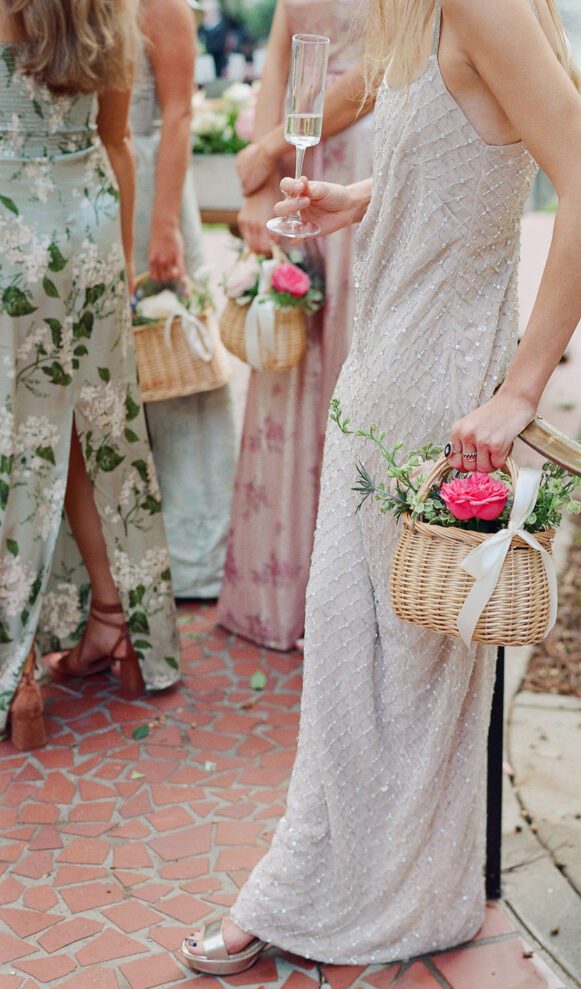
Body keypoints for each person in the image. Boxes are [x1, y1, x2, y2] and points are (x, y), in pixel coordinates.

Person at [181, 0, 581, 971]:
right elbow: (468, 161)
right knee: (377, 662)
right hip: (385, 367)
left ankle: (307, 890)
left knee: (380, 663)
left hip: (436, 388)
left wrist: (520, 387)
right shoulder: (420, 14)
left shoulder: (479, 4)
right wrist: (362, 200)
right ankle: (408, 894)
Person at [0, 0, 181, 746]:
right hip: (93, 235)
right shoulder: (110, 7)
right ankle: (127, 630)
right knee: (104, 435)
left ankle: (20, 682)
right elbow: (118, 144)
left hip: (10, 231)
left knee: (15, 449)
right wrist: (126, 276)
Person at [217, 0, 373, 651]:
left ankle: (352, 608)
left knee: (351, 364)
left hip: (365, 159)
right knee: (292, 361)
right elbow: (279, 60)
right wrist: (259, 185)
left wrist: (275, 146)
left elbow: (381, 70)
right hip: (297, 168)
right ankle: (279, 590)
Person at [132, 0, 237, 598]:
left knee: (184, 375)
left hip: (157, 185)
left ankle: (196, 561)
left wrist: (164, 224)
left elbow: (177, 113)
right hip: (103, 183)